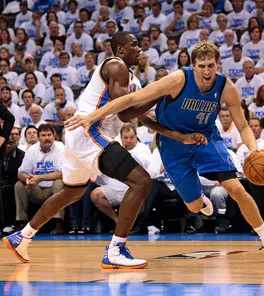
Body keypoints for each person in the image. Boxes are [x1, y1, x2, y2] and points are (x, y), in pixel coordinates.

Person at [65, 41, 264, 263]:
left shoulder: (225, 87)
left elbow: (243, 126)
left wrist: (254, 151)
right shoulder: (177, 80)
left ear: (218, 65)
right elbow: (131, 98)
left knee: (235, 188)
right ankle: (200, 199)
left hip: (205, 138)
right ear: (193, 65)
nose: (207, 71)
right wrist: (92, 116)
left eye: (211, 66)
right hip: (172, 144)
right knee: (195, 206)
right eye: (202, 66)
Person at [3, 32, 205, 268]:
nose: (139, 50)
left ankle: (22, 237)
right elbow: (124, 112)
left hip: (82, 135)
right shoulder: (116, 65)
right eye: (134, 45)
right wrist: (160, 92)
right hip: (90, 130)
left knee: (72, 193)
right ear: (120, 50)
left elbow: (146, 120)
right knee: (141, 182)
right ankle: (116, 250)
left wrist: (181, 136)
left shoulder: (135, 83)